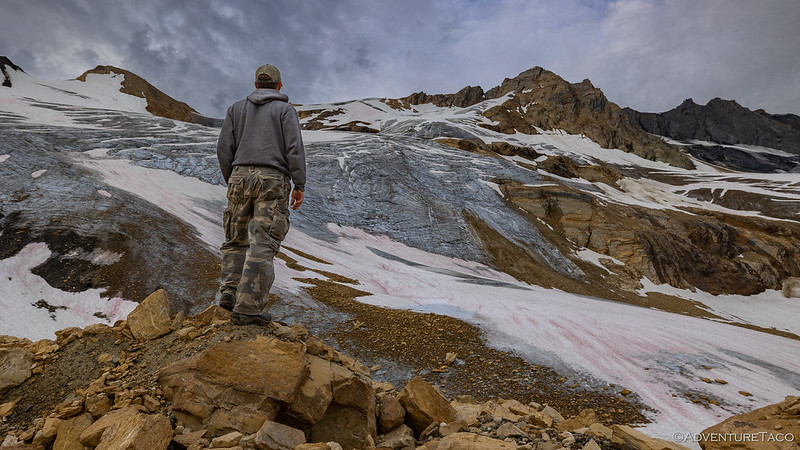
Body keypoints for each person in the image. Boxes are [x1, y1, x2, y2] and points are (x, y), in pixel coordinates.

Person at [216, 64, 306, 326]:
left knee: (235, 239)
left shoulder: (236, 109)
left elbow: (224, 149)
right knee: (263, 244)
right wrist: (299, 184)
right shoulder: (285, 110)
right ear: (280, 85)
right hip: (272, 179)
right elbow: (294, 150)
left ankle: (229, 294)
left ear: (256, 84)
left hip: (238, 176)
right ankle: (249, 308)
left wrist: (234, 181)